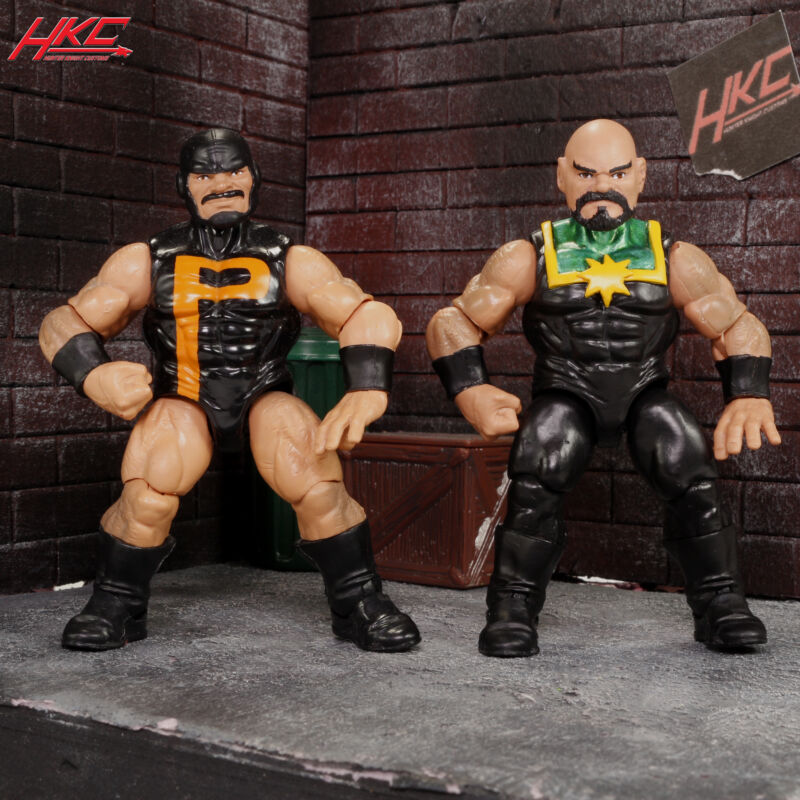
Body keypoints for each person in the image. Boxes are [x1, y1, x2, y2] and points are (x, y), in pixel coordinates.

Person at [40, 128, 420, 653]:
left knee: (315, 481)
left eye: (234, 171)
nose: (222, 183)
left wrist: (368, 388)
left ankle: (360, 600)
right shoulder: (147, 258)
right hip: (183, 396)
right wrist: (94, 374)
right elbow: (64, 321)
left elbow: (363, 312)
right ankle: (115, 600)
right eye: (205, 174)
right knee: (149, 490)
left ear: (253, 178)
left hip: (264, 393)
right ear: (184, 185)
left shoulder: (290, 258)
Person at [426, 119, 780, 658]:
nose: (602, 186)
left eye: (616, 173)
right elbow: (454, 321)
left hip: (643, 391)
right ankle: (512, 606)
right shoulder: (530, 255)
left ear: (640, 176)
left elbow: (736, 324)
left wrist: (749, 392)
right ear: (561, 177)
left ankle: (722, 603)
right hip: (566, 389)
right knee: (538, 462)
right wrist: (470, 388)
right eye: (586, 173)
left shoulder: (673, 255)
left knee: (687, 459)